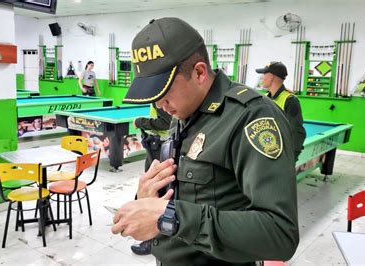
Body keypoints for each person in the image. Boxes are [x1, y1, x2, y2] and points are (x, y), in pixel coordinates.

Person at [111, 17, 299, 265]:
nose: (159, 104)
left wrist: (172, 216)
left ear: (199, 72)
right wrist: (148, 198)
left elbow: (280, 234)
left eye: (164, 91)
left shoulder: (250, 116)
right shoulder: (183, 111)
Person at [130, 103, 172, 255]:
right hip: (160, 147)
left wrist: (140, 121)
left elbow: (166, 123)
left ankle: (152, 240)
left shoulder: (160, 96)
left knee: (154, 194)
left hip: (160, 149)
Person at [256, 62, 306, 160]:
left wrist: (293, 156)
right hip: (266, 149)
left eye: (264, 75)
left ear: (271, 77)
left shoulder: (290, 100)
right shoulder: (264, 98)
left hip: (282, 154)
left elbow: (297, 131)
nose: (262, 78)